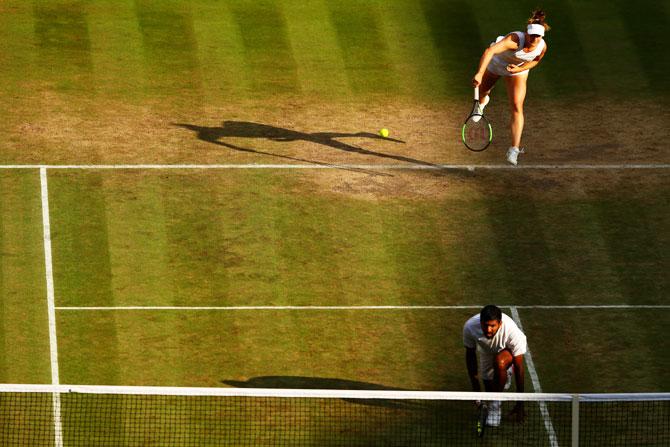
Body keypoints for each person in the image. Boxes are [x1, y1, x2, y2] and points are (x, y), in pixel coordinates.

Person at [471, 10, 550, 165]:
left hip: (517, 70)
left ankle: (514, 149)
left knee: (516, 105)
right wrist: (479, 73)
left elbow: (535, 61)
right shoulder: (513, 40)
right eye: (532, 35)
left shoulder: (542, 47)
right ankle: (481, 103)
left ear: (542, 36)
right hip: (497, 63)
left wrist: (518, 69)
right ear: (526, 33)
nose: (534, 39)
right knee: (483, 91)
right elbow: (490, 51)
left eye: (538, 36)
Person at [463, 305, 527, 427]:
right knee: (488, 383)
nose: (488, 330)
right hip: (486, 349)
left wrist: (520, 403)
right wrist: (476, 389)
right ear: (480, 322)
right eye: (485, 325)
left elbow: (519, 368)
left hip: (506, 348)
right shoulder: (470, 327)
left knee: (500, 363)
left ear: (500, 324)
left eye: (493, 326)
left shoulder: (512, 332)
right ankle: (502, 377)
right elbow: (470, 357)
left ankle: (495, 407)